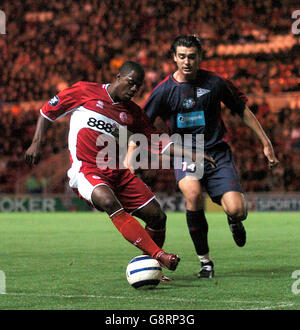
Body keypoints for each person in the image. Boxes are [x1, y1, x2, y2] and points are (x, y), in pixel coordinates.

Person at [142, 35, 279, 278]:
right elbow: (141, 124)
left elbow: (241, 109)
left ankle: (234, 221)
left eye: (192, 57)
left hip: (217, 152)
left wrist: (265, 141)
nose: (187, 62)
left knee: (237, 210)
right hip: (186, 152)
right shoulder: (163, 91)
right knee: (193, 196)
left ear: (199, 58)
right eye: (182, 56)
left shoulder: (215, 83)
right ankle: (205, 262)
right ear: (174, 57)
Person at [25, 61, 182, 273]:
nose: (134, 89)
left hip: (117, 172)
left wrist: (191, 153)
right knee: (108, 201)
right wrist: (36, 142)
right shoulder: (84, 91)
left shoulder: (133, 112)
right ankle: (159, 256)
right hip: (86, 170)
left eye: (139, 86)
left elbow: (155, 140)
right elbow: (47, 111)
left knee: (157, 216)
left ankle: (150, 268)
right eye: (131, 83)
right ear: (118, 77)